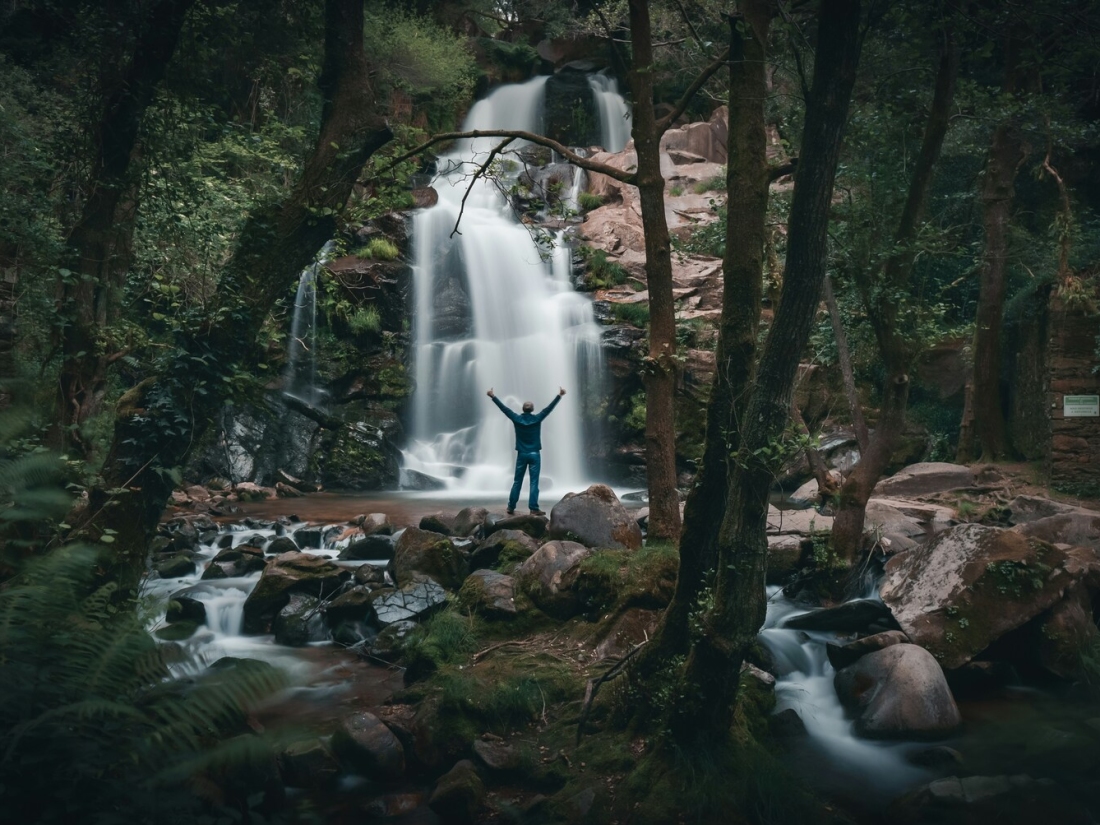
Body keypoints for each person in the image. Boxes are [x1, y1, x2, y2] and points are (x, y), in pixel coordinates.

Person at [487, 386, 565, 515]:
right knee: (534, 482)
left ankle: (511, 507)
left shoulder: (517, 418)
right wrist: (559, 395)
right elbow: (548, 409)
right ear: (532, 409)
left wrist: (493, 396)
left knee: (517, 481)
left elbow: (504, 409)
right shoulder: (537, 418)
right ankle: (533, 508)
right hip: (535, 454)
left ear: (523, 409)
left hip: (522, 454)